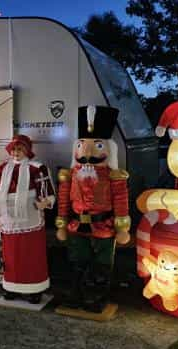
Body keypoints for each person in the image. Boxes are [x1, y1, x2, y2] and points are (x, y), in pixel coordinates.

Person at [56, 106, 131, 313]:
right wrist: (61, 224)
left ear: (107, 149)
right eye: (82, 145)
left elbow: (121, 201)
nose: (87, 153)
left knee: (101, 265)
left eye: (96, 145)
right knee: (76, 262)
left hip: (103, 226)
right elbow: (63, 201)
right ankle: (76, 294)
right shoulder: (68, 175)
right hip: (76, 226)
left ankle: (97, 297)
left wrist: (122, 228)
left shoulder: (114, 176)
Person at [0, 134, 55, 303]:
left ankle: (34, 289)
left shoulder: (37, 168)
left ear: (27, 150)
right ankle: (12, 287)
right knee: (11, 255)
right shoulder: (2, 168)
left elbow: (47, 191)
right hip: (7, 217)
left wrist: (45, 202)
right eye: (14, 149)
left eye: (20, 149)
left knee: (31, 254)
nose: (16, 152)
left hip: (30, 215)